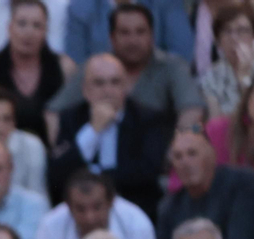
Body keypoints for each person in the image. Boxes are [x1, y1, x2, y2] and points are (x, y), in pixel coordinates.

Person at [46, 52, 171, 217]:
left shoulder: (148, 119)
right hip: (81, 212)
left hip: (134, 209)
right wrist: (93, 130)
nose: (108, 90)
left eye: (115, 82)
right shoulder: (71, 118)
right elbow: (58, 175)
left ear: (126, 87)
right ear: (85, 90)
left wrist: (95, 177)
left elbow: (147, 172)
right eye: (99, 83)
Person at [51, 3, 204, 123]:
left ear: (151, 36)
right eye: (124, 33)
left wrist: (180, 147)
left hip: (159, 155)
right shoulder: (95, 67)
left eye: (140, 32)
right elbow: (53, 112)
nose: (133, 41)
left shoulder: (172, 66)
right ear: (112, 38)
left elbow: (192, 109)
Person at [154, 126, 254, 239]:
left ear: (211, 155)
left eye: (192, 153)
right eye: (178, 157)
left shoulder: (242, 185)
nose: (185, 163)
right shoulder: (169, 208)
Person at [0, 0, 75, 144]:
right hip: (0, 155)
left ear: (46, 31)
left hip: (53, 156)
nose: (28, 32)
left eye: (37, 25)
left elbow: (77, 119)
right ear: (9, 28)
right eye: (22, 24)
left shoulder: (65, 67)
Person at [63, 0, 193, 65]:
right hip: (102, 89)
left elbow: (182, 55)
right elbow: (76, 63)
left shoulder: (165, 3)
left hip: (157, 87)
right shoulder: (81, 7)